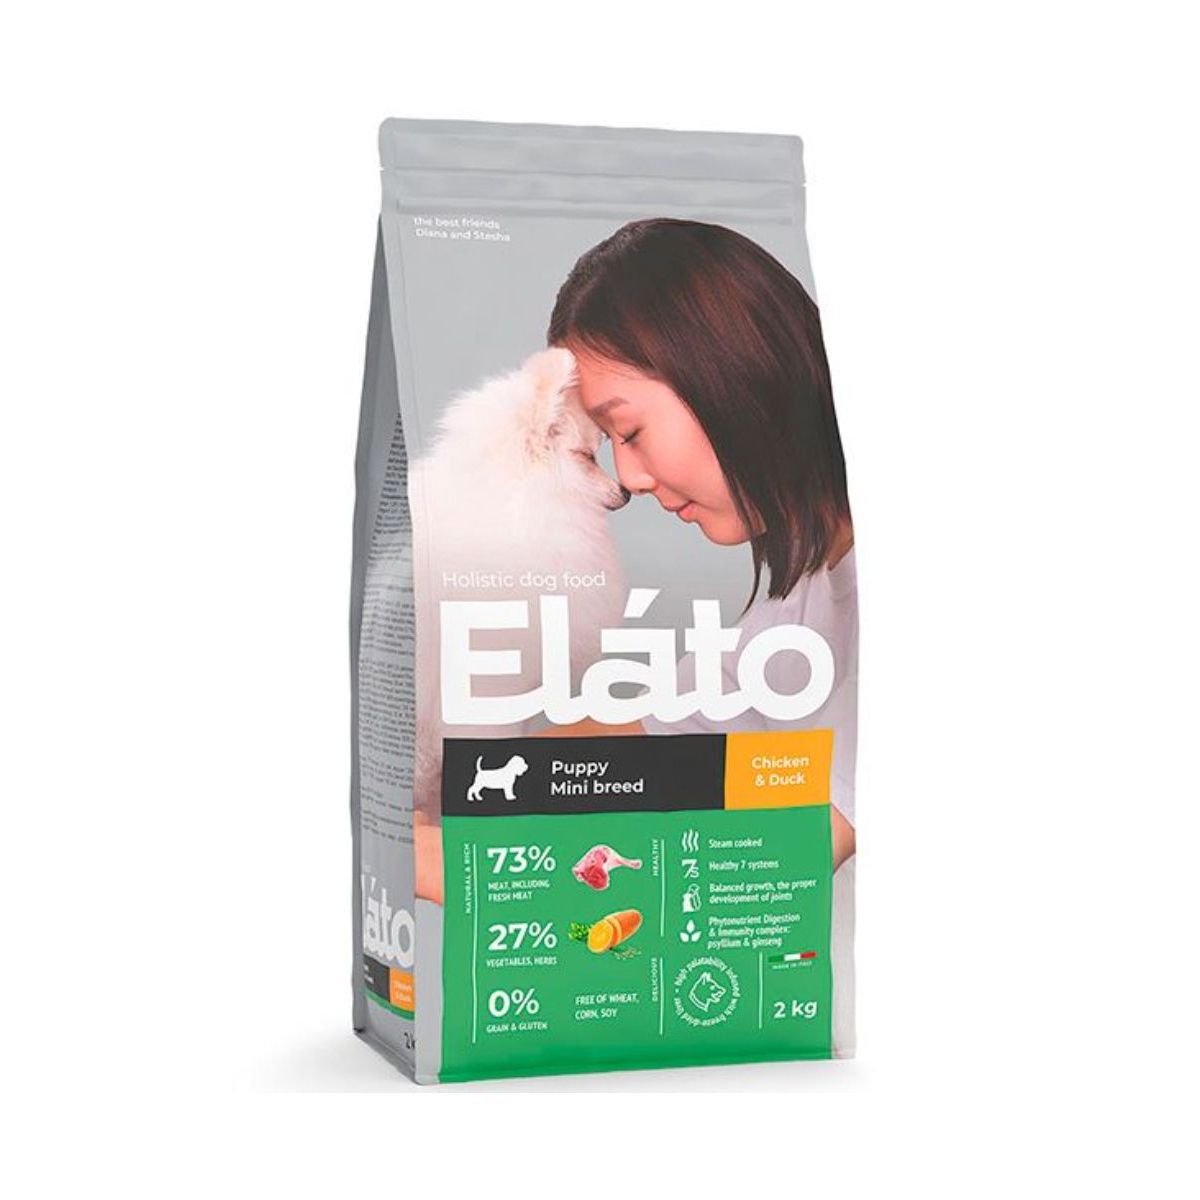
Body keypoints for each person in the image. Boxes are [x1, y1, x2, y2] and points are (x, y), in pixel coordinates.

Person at [415, 218, 857, 904]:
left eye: (629, 430)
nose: (629, 481)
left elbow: (763, 881)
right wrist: (428, 792)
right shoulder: (794, 610)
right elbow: (645, 732)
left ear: (728, 368)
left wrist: (433, 862)